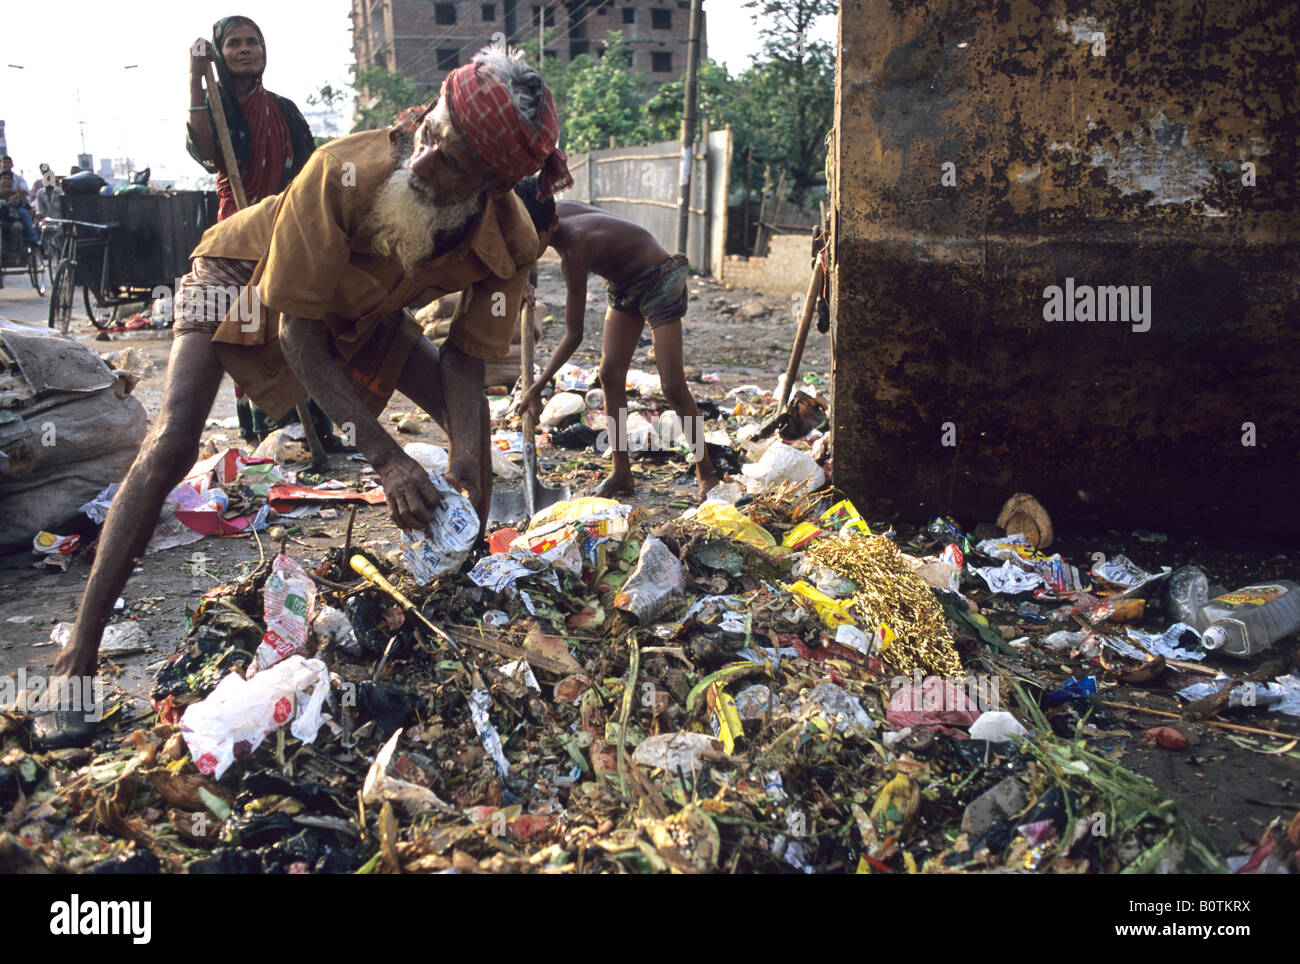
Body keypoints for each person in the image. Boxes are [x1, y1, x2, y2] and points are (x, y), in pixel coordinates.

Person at [33, 43, 571, 748]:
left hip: (362, 309)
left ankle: (459, 596)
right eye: (433, 134)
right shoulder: (342, 170)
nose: (427, 161)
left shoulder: (512, 241)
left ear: (495, 183)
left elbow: (467, 365)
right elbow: (297, 333)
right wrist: (385, 457)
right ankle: (77, 656)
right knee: (170, 445)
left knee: (471, 443)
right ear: (431, 111)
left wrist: (467, 465)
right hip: (246, 276)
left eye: (454, 163)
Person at [514, 181, 719, 500]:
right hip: (623, 285)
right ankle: (621, 473)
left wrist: (536, 388)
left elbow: (574, 334)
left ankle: (707, 474)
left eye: (531, 237)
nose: (526, 244)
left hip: (658, 279)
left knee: (673, 386)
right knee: (609, 376)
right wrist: (521, 282)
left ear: (551, 225)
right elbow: (524, 247)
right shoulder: (549, 213)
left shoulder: (575, 248)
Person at [186, 15, 324, 440]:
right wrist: (194, 77)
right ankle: (261, 427)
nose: (245, 49)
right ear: (220, 54)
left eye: (253, 42)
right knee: (246, 326)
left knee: (297, 323)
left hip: (286, 230)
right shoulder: (216, 109)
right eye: (233, 44)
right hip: (238, 231)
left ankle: (312, 427)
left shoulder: (284, 111)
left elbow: (309, 172)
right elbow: (208, 153)